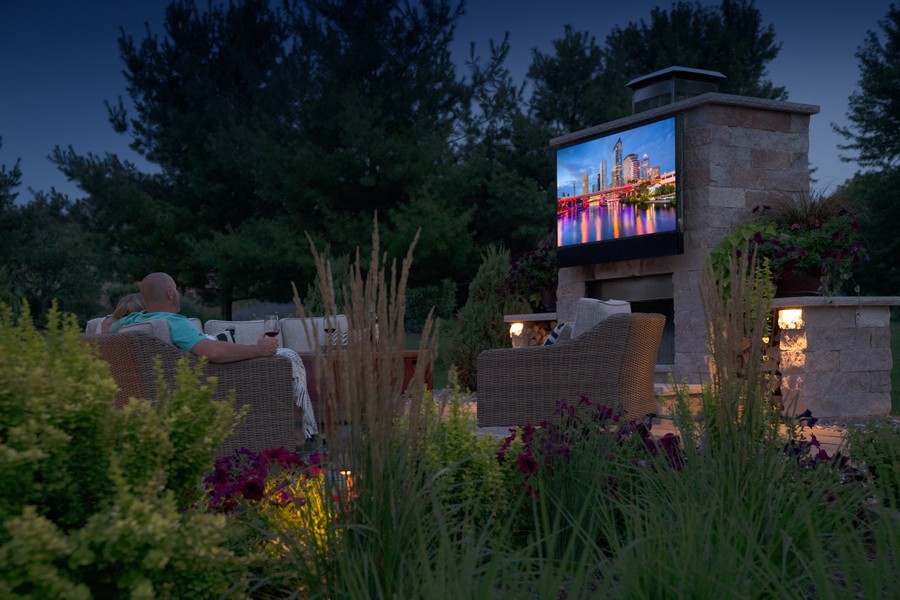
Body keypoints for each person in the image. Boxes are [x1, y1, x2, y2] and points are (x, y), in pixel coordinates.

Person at [110, 272, 318, 444]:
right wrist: (258, 351)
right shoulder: (173, 321)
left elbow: (100, 329)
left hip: (151, 399)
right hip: (208, 390)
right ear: (171, 293)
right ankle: (296, 436)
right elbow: (214, 353)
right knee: (283, 362)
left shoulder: (127, 323)